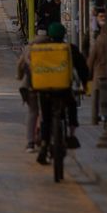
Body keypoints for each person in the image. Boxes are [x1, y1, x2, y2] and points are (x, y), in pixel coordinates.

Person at [18, 22, 88, 159]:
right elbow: (82, 68)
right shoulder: (68, 48)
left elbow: (25, 64)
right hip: (63, 89)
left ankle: (44, 143)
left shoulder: (40, 48)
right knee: (72, 106)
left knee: (46, 118)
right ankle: (71, 136)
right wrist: (85, 85)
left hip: (43, 90)